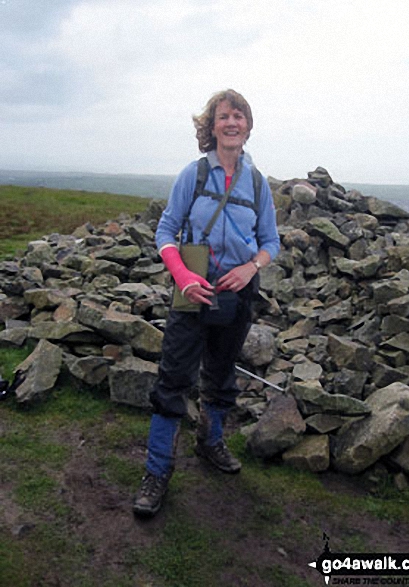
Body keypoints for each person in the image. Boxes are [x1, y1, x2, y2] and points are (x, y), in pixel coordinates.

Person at [133, 89, 280, 517]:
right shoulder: (193, 175)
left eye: (238, 116)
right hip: (190, 290)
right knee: (173, 380)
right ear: (210, 127)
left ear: (248, 126)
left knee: (221, 374)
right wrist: (182, 275)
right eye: (222, 116)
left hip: (238, 291)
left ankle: (210, 442)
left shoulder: (257, 183)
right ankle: (157, 471)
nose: (231, 123)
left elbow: (270, 241)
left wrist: (251, 268)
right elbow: (165, 231)